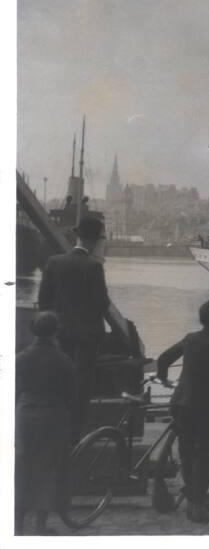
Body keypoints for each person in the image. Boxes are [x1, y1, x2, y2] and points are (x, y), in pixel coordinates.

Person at [37, 215, 110, 442]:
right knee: (81, 386)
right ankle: (75, 437)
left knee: (59, 381)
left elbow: (44, 301)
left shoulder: (54, 262)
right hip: (87, 337)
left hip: (60, 334)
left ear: (77, 236)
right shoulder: (94, 267)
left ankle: (54, 432)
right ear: (96, 241)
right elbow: (102, 304)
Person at [157, 299, 209, 523]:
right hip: (205, 405)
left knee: (187, 453)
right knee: (205, 454)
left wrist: (164, 378)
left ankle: (194, 498)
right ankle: (197, 507)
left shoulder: (190, 339)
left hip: (180, 402)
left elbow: (164, 358)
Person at [15, 312, 77, 535]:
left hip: (24, 415)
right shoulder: (63, 360)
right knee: (48, 469)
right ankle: (40, 526)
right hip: (53, 417)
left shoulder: (20, 358)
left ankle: (17, 526)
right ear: (56, 331)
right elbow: (71, 396)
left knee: (21, 468)